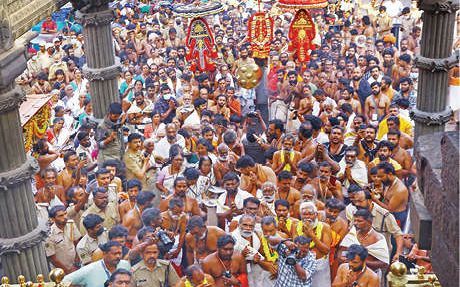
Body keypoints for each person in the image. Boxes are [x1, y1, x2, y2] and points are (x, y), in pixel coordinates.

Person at [339, 209, 390, 274]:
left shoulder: (378, 239)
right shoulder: (352, 234)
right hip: (349, 274)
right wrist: (343, 259)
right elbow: (340, 254)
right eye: (355, 220)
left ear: (369, 222)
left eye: (359, 221)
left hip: (371, 275)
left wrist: (361, 263)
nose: (355, 223)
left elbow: (384, 263)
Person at [63, 241, 131, 287]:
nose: (118, 256)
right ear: (104, 254)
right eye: (115, 253)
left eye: (120, 253)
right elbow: (65, 281)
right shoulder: (89, 270)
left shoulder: (125, 265)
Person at [297, 202, 332, 286]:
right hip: (302, 266)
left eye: (310, 214)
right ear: (300, 215)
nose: (307, 217)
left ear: (316, 215)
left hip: (320, 267)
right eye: (304, 214)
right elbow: (297, 248)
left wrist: (312, 235)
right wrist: (305, 234)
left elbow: (326, 250)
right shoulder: (296, 226)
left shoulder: (325, 227)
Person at [45, 205, 82, 274]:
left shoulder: (71, 224)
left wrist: (76, 263)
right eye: (60, 216)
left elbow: (77, 243)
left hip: (75, 266)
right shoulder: (49, 235)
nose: (65, 217)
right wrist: (67, 271)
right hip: (60, 271)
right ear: (53, 219)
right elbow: (53, 258)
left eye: (65, 214)